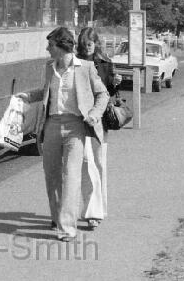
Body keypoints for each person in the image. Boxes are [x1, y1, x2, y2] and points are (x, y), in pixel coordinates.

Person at [36, 26, 110, 241]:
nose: (47, 48)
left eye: (50, 45)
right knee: (52, 176)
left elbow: (102, 94)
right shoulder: (50, 68)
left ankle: (67, 228)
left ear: (61, 46)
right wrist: (26, 97)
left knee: (71, 175)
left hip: (75, 127)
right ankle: (59, 218)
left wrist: (95, 114)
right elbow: (45, 93)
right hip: (51, 126)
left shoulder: (85, 67)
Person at [76, 27, 121, 229]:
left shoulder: (105, 63)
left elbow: (109, 92)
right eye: (83, 44)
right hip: (80, 120)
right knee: (87, 164)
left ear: (96, 44)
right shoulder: (74, 62)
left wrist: (116, 83)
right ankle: (90, 210)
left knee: (100, 163)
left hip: (100, 120)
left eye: (90, 44)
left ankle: (100, 208)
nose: (86, 48)